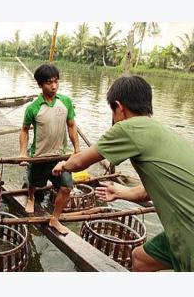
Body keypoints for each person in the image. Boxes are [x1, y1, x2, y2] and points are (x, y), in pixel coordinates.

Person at [52, 75, 194, 272]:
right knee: (140, 258)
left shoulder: (129, 127)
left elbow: (79, 162)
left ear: (119, 107)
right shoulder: (163, 131)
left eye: (113, 111)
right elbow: (148, 192)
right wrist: (120, 192)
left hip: (188, 232)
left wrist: (63, 165)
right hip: (178, 229)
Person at [19, 63, 80, 235]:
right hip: (39, 155)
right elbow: (24, 130)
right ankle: (31, 198)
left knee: (66, 187)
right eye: (48, 83)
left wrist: (77, 148)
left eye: (56, 82)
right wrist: (23, 153)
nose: (53, 86)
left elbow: (72, 125)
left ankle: (55, 219)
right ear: (40, 85)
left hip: (60, 157)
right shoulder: (33, 107)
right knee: (34, 182)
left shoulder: (66, 102)